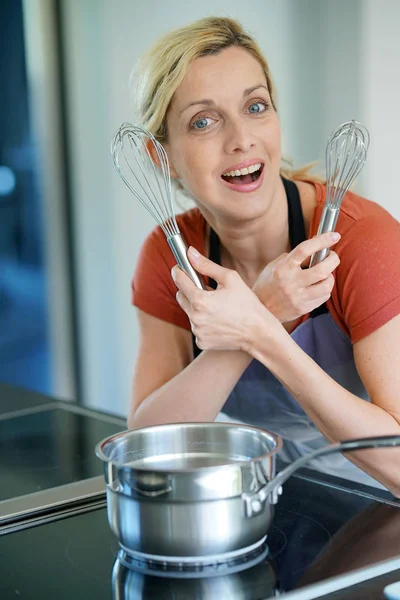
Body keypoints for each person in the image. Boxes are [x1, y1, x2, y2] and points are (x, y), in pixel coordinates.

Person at [128, 16, 400, 494]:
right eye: (204, 121)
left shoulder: (362, 243)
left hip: (379, 500)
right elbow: (150, 448)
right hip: (271, 498)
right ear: (162, 157)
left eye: (255, 106)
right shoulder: (171, 256)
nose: (241, 139)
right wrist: (263, 312)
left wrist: (260, 333)